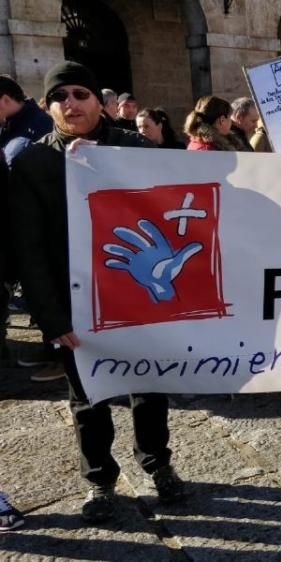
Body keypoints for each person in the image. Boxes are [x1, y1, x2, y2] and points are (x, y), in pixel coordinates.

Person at [10, 61, 185, 523]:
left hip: (138, 294)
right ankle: (100, 479)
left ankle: (157, 463)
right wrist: (51, 318)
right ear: (47, 108)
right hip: (75, 304)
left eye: (80, 94)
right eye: (60, 96)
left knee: (149, 385)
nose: (71, 103)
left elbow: (185, 188)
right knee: (88, 397)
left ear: (98, 102)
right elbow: (29, 249)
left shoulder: (131, 146)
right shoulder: (33, 162)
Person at [0, 75, 59, 381]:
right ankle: (50, 347)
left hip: (36, 222)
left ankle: (58, 354)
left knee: (45, 288)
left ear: (4, 99)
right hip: (18, 224)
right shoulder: (13, 124)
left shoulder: (34, 128)